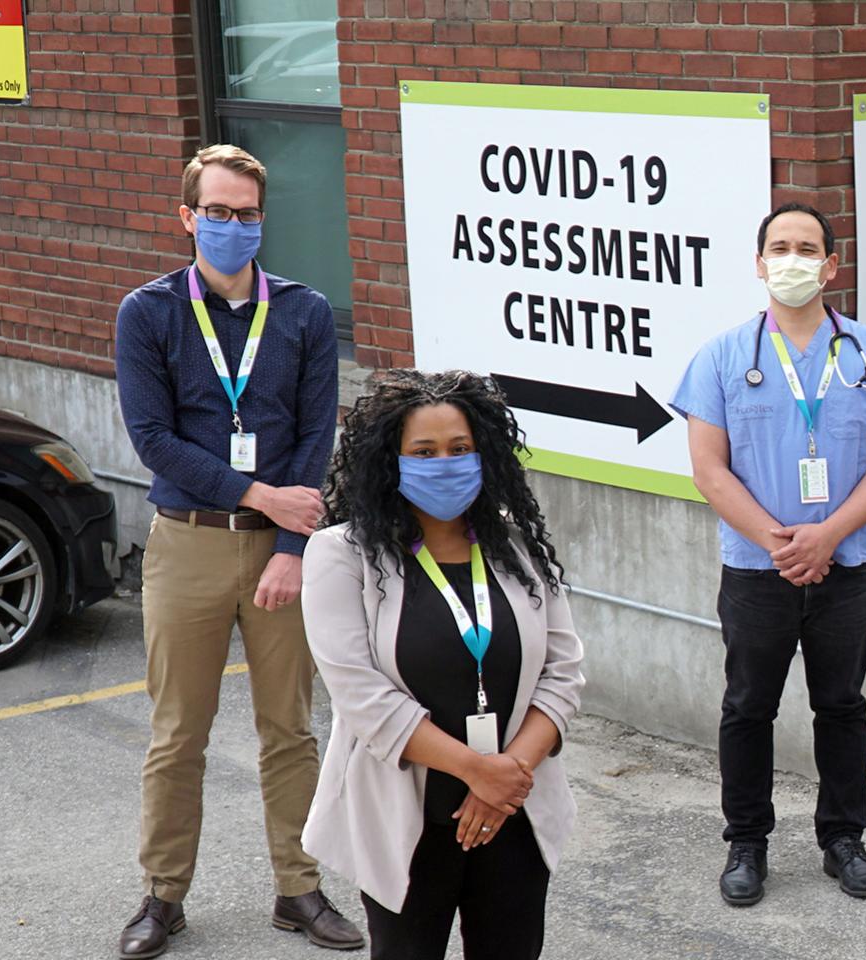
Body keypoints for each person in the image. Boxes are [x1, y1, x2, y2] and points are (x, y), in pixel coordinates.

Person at [113, 144, 359, 957]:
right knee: (177, 731)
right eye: (216, 213)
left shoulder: (304, 312)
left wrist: (292, 545)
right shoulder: (147, 312)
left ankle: (300, 888)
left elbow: (314, 435)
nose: (232, 226)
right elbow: (152, 439)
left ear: (262, 220)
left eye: (247, 215)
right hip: (187, 545)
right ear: (188, 217)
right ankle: (162, 896)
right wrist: (257, 495)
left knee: (289, 729)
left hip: (283, 554)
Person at [670, 201, 866, 907]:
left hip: (845, 570)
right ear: (759, 264)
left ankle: (844, 840)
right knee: (747, 707)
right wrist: (778, 542)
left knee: (841, 706)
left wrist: (828, 535)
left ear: (831, 265)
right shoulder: (723, 357)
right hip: (758, 573)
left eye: (807, 247)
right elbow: (709, 469)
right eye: (779, 247)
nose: (792, 259)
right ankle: (746, 845)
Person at [299, 370, 584, 960]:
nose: (446, 464)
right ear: (391, 462)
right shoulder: (341, 555)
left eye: (460, 449)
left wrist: (505, 774)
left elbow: (563, 673)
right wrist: (477, 771)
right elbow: (361, 698)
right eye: (424, 452)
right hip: (407, 819)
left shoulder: (519, 549)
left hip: (513, 811)